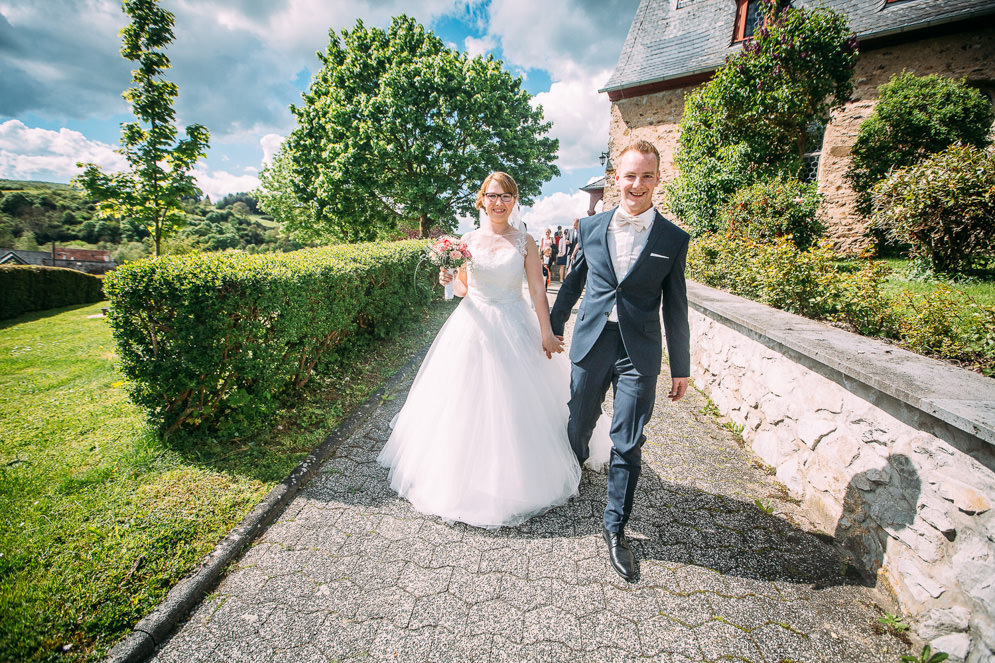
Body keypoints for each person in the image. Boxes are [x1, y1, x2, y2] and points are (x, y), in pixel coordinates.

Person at [378, 172, 610, 529]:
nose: (499, 203)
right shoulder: (466, 241)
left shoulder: (526, 242)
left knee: (515, 404)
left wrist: (547, 333)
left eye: (506, 196)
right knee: (464, 403)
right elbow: (463, 290)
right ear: (481, 199)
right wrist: (449, 279)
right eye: (492, 195)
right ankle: (461, 475)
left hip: (515, 322)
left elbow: (536, 290)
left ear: (514, 201)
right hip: (471, 326)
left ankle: (517, 473)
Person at [551, 140, 690, 581]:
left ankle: (616, 528)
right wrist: (552, 328)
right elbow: (572, 285)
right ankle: (569, 479)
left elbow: (676, 306)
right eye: (630, 175)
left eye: (646, 176)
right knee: (579, 421)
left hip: (639, 351)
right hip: (593, 342)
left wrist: (681, 366)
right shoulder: (590, 229)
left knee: (628, 441)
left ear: (657, 179)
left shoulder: (673, 239)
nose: (637, 184)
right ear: (617, 178)